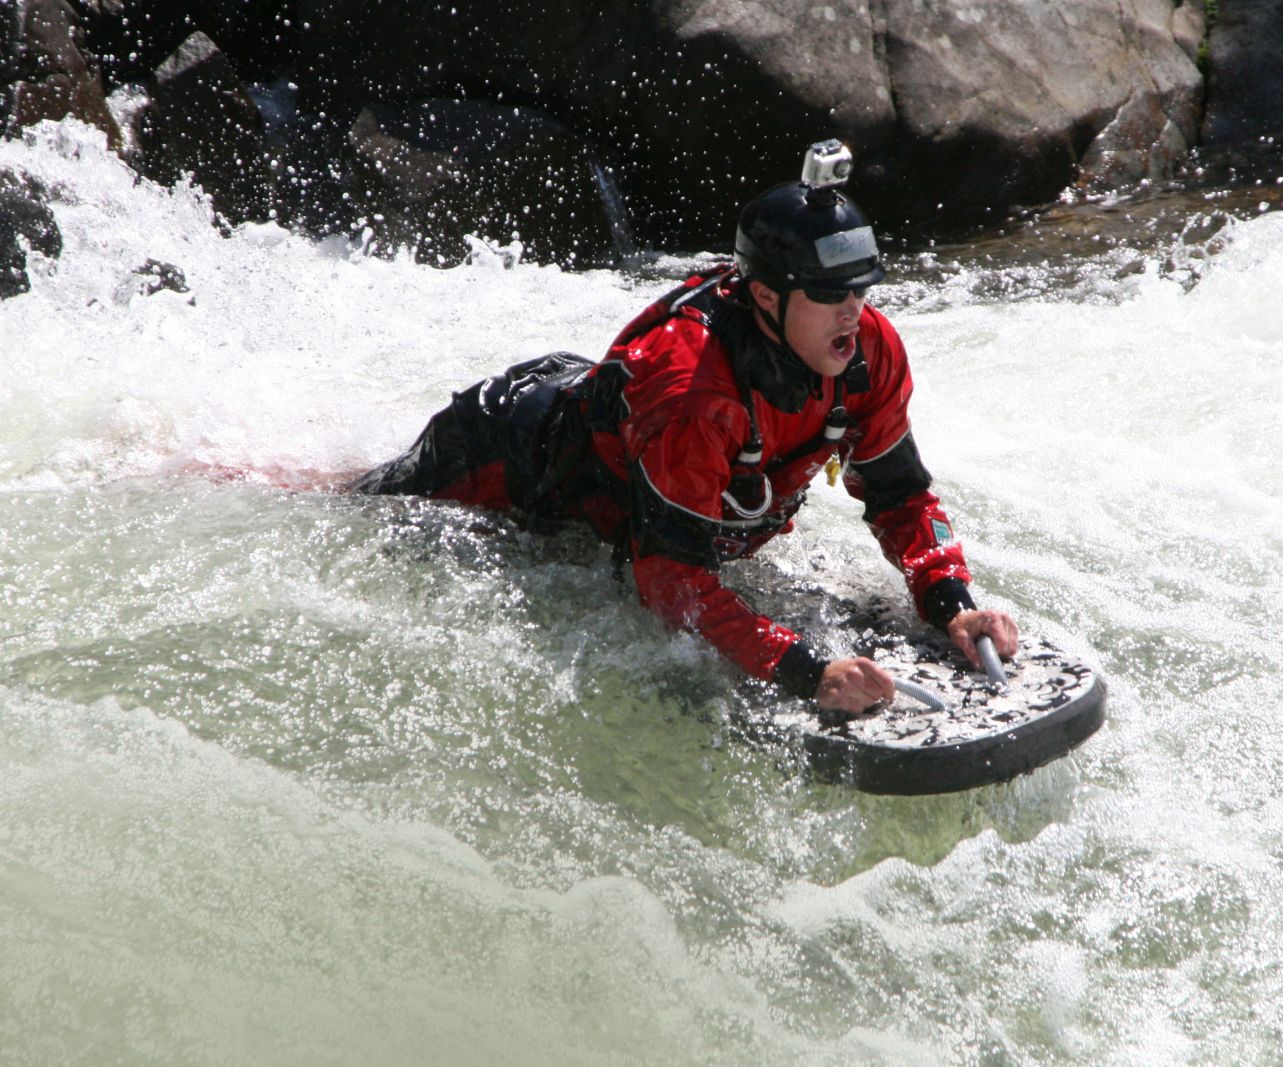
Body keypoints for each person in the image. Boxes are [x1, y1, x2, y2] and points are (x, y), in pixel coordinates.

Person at [349, 141, 1018, 713]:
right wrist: (805, 671)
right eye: (827, 294)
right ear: (764, 295)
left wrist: (950, 602)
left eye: (859, 290)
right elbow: (669, 577)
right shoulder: (696, 396)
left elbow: (900, 495)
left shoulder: (868, 350)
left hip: (622, 438)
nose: (851, 313)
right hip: (498, 455)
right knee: (342, 505)